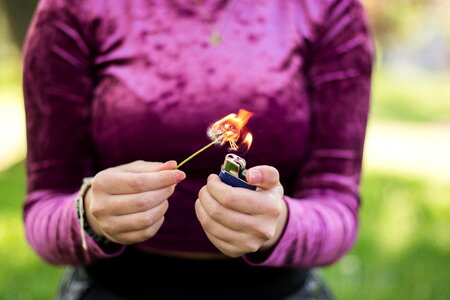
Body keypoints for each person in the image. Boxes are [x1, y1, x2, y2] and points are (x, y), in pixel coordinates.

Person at [22, 0, 374, 299]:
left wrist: (282, 225)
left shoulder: (328, 7)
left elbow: (338, 209)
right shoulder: (73, 7)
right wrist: (90, 214)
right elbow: (44, 208)